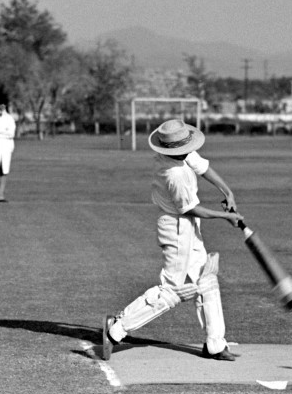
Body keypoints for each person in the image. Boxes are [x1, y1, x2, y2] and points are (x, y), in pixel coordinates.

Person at [103, 119, 243, 361]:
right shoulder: (174, 172)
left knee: (206, 280)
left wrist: (227, 192)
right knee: (173, 289)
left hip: (187, 226)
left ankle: (215, 345)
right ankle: (116, 328)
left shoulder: (182, 153)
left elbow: (202, 167)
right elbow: (190, 209)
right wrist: (224, 217)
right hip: (176, 228)